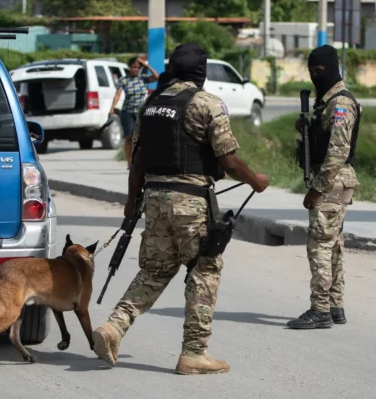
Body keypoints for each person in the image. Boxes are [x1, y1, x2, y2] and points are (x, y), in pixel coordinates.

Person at [92, 43, 270, 375]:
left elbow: (138, 163)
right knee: (204, 271)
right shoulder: (207, 104)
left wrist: (132, 205)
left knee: (154, 271)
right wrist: (255, 181)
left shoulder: (151, 104)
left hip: (155, 200)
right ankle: (194, 353)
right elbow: (228, 160)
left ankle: (114, 327)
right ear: (201, 73)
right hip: (191, 202)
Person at [286, 44, 361, 330]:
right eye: (312, 71)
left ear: (332, 69)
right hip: (333, 181)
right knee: (334, 246)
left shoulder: (340, 103)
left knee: (319, 246)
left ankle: (320, 309)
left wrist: (317, 189)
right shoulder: (326, 102)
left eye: (320, 71)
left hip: (331, 182)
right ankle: (335, 305)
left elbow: (337, 152)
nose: (316, 76)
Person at [111, 55, 159, 167]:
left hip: (140, 112)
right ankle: (129, 162)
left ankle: (141, 159)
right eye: (133, 67)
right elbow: (117, 95)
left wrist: (146, 65)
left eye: (137, 67)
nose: (135, 69)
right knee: (129, 137)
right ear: (129, 67)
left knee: (142, 137)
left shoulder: (143, 78)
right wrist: (112, 108)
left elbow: (157, 77)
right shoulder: (124, 80)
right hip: (127, 112)